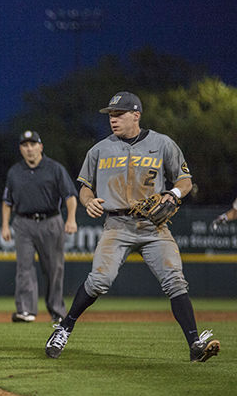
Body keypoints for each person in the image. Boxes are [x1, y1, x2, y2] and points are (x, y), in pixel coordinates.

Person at [45, 91, 220, 362]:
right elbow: (84, 186)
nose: (112, 120)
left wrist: (173, 194)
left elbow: (185, 181)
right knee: (99, 281)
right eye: (110, 115)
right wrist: (88, 200)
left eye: (119, 115)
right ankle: (64, 327)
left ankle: (195, 344)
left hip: (153, 227)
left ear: (135, 115)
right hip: (116, 224)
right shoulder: (100, 149)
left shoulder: (163, 144)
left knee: (174, 281)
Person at [1, 130, 78, 324]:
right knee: (24, 267)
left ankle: (57, 311)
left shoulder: (54, 168)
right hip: (23, 223)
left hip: (51, 221)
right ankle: (26, 311)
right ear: (20, 149)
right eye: (25, 145)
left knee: (54, 268)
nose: (29, 149)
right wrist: (4, 225)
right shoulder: (14, 171)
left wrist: (71, 219)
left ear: (40, 147)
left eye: (33, 144)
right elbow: (7, 201)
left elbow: (70, 195)